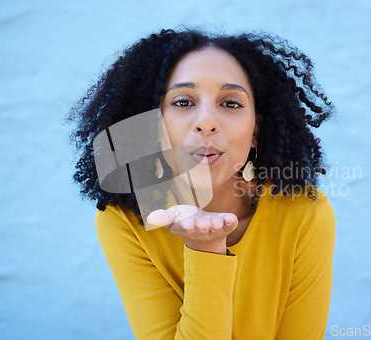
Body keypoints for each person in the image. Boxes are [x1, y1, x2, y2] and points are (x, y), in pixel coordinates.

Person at [68, 28, 336, 339]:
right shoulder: (124, 220)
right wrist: (206, 246)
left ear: (255, 132)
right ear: (153, 125)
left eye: (231, 103)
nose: (206, 121)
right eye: (183, 102)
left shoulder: (305, 213)